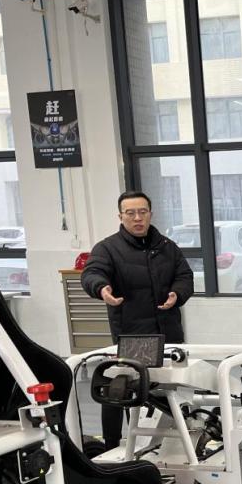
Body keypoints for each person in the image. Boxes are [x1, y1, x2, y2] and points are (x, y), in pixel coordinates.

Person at [81, 190, 194, 451]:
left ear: (151, 214)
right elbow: (92, 273)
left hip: (169, 334)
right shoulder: (107, 248)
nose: (137, 218)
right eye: (130, 213)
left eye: (142, 212)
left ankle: (177, 442)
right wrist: (101, 289)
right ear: (120, 216)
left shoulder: (167, 247)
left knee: (174, 390)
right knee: (119, 388)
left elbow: (185, 276)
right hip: (133, 335)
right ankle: (112, 447)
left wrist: (177, 293)